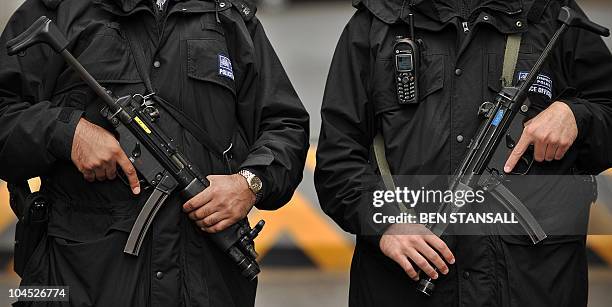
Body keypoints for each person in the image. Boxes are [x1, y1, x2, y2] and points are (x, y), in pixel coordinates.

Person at [0, 0, 309, 306]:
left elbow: (286, 126)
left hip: (206, 287)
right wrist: (69, 133)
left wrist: (249, 183)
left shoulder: (228, 17)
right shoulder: (59, 10)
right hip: (83, 283)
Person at [315, 0, 612, 306]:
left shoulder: (551, 14)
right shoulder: (376, 22)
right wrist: (385, 221)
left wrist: (576, 116)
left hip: (534, 284)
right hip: (408, 286)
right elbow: (337, 159)